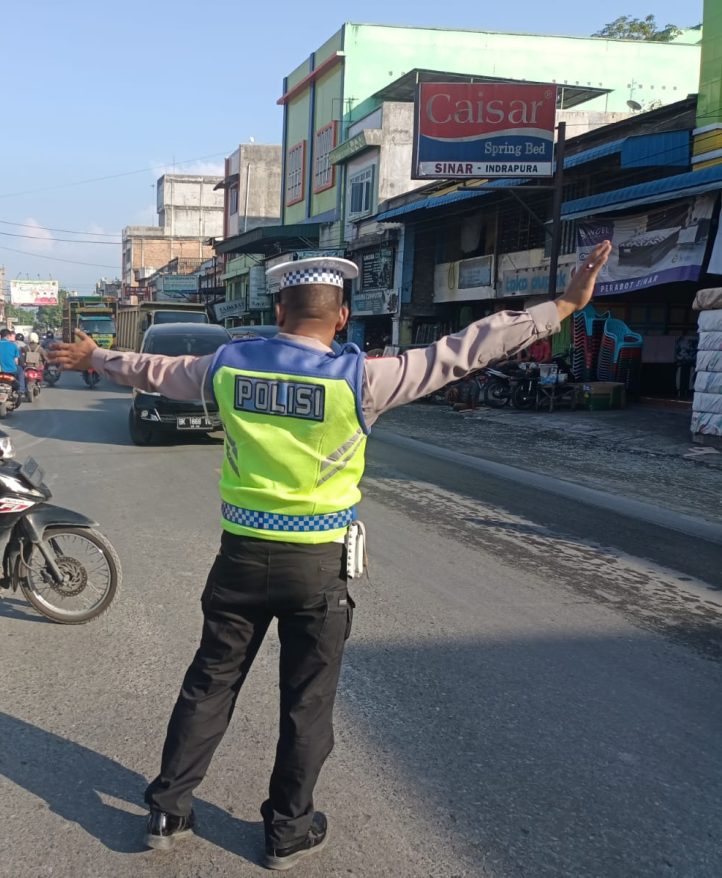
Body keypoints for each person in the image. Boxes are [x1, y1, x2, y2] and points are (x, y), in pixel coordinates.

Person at [51, 241, 613, 870]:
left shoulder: (228, 366)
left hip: (240, 556)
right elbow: (463, 350)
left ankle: (168, 809)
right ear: (341, 315)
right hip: (318, 566)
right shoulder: (363, 377)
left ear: (278, 306)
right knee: (306, 700)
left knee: (210, 683)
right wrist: (564, 303)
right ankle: (287, 831)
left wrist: (96, 355)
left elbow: (155, 371)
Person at [0, 328, 23, 394]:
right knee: (20, 370)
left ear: (0, 336)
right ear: (8, 336)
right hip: (12, 370)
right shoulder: (13, 345)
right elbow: (16, 361)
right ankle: (21, 390)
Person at [675, 331, 698, 399]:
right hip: (682, 363)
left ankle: (688, 392)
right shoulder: (680, 341)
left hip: (691, 363)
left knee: (691, 378)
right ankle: (681, 392)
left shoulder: (693, 343)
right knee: (680, 378)